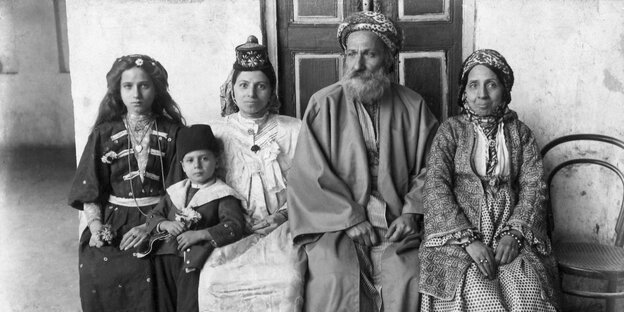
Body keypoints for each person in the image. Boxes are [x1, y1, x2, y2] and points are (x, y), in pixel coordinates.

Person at [287, 11, 439, 312]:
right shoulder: (323, 103)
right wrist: (349, 218)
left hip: (396, 220)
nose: (357, 65)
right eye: (351, 54)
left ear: (387, 59)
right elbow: (307, 175)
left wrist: (412, 212)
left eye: (369, 54)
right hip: (336, 224)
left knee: (408, 275)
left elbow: (432, 169)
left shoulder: (413, 105)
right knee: (333, 276)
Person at [418, 49, 561, 311]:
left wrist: (515, 235)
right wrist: (468, 240)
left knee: (526, 291)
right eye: (474, 85)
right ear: (464, 93)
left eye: (491, 85)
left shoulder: (521, 133)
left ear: (504, 92)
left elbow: (534, 187)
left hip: (509, 225)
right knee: (473, 290)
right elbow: (435, 186)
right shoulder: (450, 131)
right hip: (460, 231)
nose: (481, 94)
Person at [68, 54, 185, 312]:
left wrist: (151, 226)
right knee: (101, 264)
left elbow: (180, 190)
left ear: (156, 89)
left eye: (144, 85)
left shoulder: (173, 131)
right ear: (117, 91)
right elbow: (90, 191)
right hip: (115, 220)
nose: (136, 94)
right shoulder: (104, 133)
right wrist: (97, 226)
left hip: (161, 217)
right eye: (127, 86)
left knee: (168, 264)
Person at [196, 36, 305, 311]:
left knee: (288, 280)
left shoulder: (294, 130)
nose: (251, 94)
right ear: (232, 90)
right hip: (232, 229)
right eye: (243, 85)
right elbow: (202, 183)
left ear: (272, 91)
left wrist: (282, 216)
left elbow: (309, 186)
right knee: (213, 280)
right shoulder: (216, 132)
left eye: (260, 86)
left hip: (283, 229)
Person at [144, 124, 246, 312]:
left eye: (204, 159)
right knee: (163, 304)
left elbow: (235, 226)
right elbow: (153, 216)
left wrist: (201, 235)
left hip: (193, 262)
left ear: (216, 160)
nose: (197, 166)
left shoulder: (222, 194)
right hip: (164, 258)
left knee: (188, 305)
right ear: (182, 166)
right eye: (190, 160)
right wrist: (165, 224)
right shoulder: (176, 192)